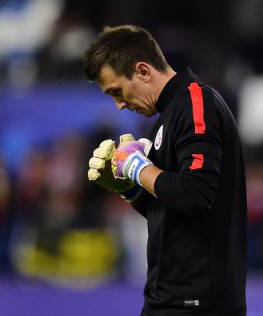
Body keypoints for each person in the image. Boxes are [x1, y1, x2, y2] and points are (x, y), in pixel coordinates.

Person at [84, 25, 247, 316]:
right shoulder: (168, 115)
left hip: (198, 303)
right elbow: (173, 210)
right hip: (168, 299)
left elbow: (194, 194)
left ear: (143, 71)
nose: (119, 105)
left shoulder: (197, 105)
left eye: (117, 91)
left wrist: (135, 166)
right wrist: (130, 189)